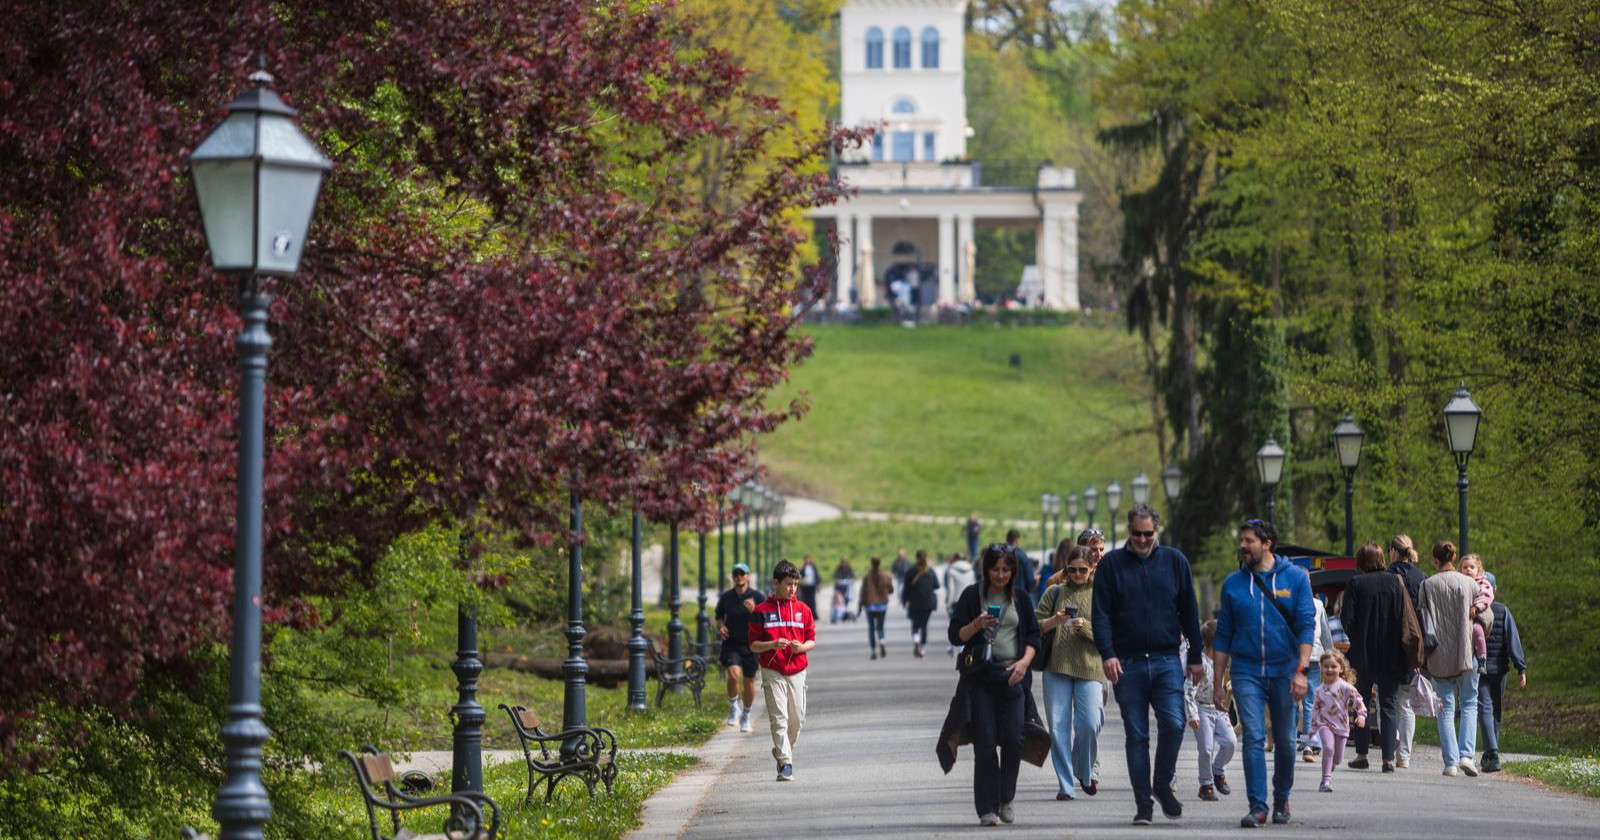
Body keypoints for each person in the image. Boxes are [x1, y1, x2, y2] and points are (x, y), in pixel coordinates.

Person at [1092, 504, 1204, 826]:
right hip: (1126, 662)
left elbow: (1189, 611)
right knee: (1137, 735)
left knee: (1173, 724)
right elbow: (1101, 614)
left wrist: (1195, 655)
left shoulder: (1175, 562)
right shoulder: (1112, 564)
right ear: (1129, 531)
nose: (1142, 540)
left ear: (1157, 531)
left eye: (1148, 534)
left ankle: (1161, 782)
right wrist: (1108, 653)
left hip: (1167, 658)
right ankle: (1144, 803)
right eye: (1136, 534)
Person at [1213, 518, 1315, 828]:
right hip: (1246, 672)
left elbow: (1305, 625)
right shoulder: (1233, 584)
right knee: (1254, 736)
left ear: (1267, 543)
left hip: (1285, 671)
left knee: (1285, 739)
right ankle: (1257, 805)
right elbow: (1223, 635)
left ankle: (1282, 796)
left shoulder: (1295, 579)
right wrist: (1217, 683)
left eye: (1249, 541)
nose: (1242, 546)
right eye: (1241, 540)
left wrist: (1302, 671)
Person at [948, 543, 1041, 826]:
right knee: (985, 743)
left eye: (1006, 569)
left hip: (1013, 676)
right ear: (985, 569)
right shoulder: (971, 595)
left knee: (1014, 739)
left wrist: (1024, 663)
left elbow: (1034, 637)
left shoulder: (1021, 598)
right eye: (995, 569)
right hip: (981, 679)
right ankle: (986, 807)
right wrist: (976, 625)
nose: (1001, 575)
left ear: (1013, 570)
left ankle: (1006, 797)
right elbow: (955, 636)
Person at [1340, 542, 1415, 773]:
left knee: (1360, 703)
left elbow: (1347, 619)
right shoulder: (1395, 582)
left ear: (1361, 561)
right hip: (1391, 653)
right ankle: (1388, 759)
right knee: (1388, 706)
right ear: (1382, 559)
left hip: (1362, 653)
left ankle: (1362, 754)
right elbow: (1402, 616)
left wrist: (1357, 635)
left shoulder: (1356, 583)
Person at [1036, 545, 1103, 800]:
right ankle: (1066, 785)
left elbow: (1110, 636)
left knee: (1089, 723)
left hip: (1090, 667)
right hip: (1057, 667)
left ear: (1091, 568)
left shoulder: (1100, 595)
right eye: (1072, 569)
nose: (1077, 574)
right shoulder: (1054, 592)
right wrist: (1055, 620)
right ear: (1066, 569)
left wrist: (1083, 627)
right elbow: (1035, 624)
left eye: (1082, 570)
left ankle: (1083, 769)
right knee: (1058, 728)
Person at [748, 560, 816, 782]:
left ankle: (781, 749)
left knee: (797, 719)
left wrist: (801, 647)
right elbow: (753, 645)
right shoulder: (761, 612)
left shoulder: (803, 610)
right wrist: (772, 644)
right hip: (772, 669)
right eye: (788, 584)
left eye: (795, 584)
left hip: (797, 670)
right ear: (776, 583)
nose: (792, 588)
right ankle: (785, 762)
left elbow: (811, 640)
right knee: (779, 717)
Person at [1419, 540, 1481, 777]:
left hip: (1438, 654)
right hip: (1467, 653)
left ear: (1435, 560)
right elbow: (1485, 615)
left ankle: (1451, 763)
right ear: (1453, 558)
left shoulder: (1427, 585)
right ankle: (1467, 755)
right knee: (1469, 703)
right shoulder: (1470, 583)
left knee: (1444, 707)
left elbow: (1422, 617)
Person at [1478, 570, 1527, 773]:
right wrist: (1520, 668)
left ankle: (1492, 753)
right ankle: (1492, 751)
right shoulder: (1503, 611)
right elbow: (1512, 641)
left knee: (1485, 709)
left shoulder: (1475, 611)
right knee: (1494, 710)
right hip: (1500, 670)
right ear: (1495, 589)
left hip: (1480, 669)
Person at [1385, 534, 1427, 767]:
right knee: (1406, 702)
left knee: (1387, 699)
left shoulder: (1386, 576)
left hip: (1388, 644)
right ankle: (1405, 756)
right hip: (1412, 644)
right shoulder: (1421, 577)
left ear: (1392, 551)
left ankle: (1393, 740)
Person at [1184, 620, 1234, 801]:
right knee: (1206, 748)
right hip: (1202, 710)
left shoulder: (1223, 661)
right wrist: (1192, 714)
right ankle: (1206, 785)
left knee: (1231, 742)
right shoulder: (1200, 664)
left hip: (1218, 709)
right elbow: (1188, 690)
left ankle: (1218, 770)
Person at [715, 562, 765, 733]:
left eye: (742, 573)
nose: (739, 577)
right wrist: (721, 626)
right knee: (733, 675)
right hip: (732, 644)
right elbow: (719, 616)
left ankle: (746, 715)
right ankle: (733, 706)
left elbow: (765, 621)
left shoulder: (757, 597)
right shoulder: (726, 597)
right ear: (732, 577)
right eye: (736, 574)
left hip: (752, 645)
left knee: (749, 681)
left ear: (748, 576)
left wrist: (755, 611)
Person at [1310, 651, 1366, 792]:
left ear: (1341, 669)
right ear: (1321, 667)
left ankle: (1330, 766)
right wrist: (1313, 728)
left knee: (1337, 759)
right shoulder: (1319, 690)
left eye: (1333, 666)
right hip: (1325, 724)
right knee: (1328, 748)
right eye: (1326, 666)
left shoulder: (1345, 687)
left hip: (1342, 726)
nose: (1329, 669)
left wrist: (1361, 715)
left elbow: (1358, 700)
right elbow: (1315, 709)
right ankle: (1325, 781)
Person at [1296, 594, 1336, 763]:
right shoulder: (1318, 605)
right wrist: (1332, 655)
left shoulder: (1290, 599)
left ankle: (1290, 743)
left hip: (1293, 657)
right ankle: (1308, 745)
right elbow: (1326, 634)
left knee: (1291, 701)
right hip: (1313, 656)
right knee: (1309, 702)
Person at [903, 550, 940, 658]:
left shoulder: (910, 571)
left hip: (914, 602)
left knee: (915, 625)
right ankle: (923, 649)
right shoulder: (931, 571)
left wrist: (904, 601)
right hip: (928, 602)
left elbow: (906, 588)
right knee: (924, 626)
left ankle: (916, 640)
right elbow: (937, 585)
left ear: (916, 558)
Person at [859, 556, 895, 659]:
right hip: (882, 605)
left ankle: (873, 651)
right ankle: (882, 641)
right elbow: (891, 590)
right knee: (880, 627)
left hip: (870, 605)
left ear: (871, 563)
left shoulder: (867, 577)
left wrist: (860, 605)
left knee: (871, 628)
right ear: (880, 564)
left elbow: (863, 592)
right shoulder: (886, 576)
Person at [944, 552, 976, 655]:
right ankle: (963, 648)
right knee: (966, 624)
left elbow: (951, 588)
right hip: (969, 599)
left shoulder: (952, 570)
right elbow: (973, 584)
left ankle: (953, 647)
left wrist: (948, 603)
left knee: (954, 625)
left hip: (956, 600)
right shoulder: (971, 570)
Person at [1005, 528, 1037, 604]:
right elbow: (1030, 581)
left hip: (1004, 595)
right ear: (1017, 540)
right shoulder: (1022, 556)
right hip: (1019, 596)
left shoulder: (1001, 554)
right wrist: (1035, 581)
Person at [832, 556, 856, 624]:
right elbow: (836, 579)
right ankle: (841, 615)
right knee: (840, 603)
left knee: (845, 602)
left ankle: (843, 615)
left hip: (847, 589)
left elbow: (853, 577)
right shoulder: (838, 569)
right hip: (840, 589)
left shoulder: (849, 569)